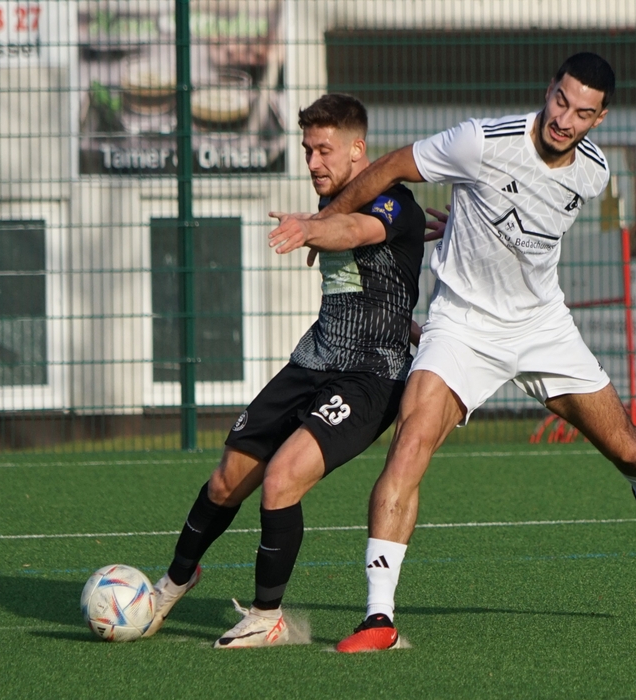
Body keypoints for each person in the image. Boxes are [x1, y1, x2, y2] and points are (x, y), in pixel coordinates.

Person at [292, 53, 636, 652]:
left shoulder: (594, 173)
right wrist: (324, 220)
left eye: (582, 112)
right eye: (561, 100)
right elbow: (390, 166)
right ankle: (378, 617)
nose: (564, 118)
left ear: (600, 119)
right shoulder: (480, 142)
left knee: (630, 447)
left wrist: (473, 225)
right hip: (461, 326)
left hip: (542, 328)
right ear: (549, 89)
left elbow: (533, 220)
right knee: (410, 441)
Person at [142, 93, 427, 648]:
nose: (313, 162)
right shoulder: (328, 202)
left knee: (280, 480)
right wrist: (317, 221)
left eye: (325, 150)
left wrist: (312, 228)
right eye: (307, 150)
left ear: (357, 149)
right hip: (311, 361)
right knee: (226, 480)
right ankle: (171, 585)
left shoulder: (395, 203)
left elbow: (356, 232)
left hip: (370, 377)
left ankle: (266, 616)